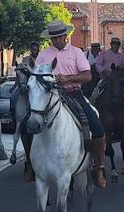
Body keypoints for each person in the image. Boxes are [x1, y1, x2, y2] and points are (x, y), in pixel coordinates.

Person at [28, 20, 109, 188]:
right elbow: (36, 75)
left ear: (65, 36)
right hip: (49, 96)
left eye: (59, 37)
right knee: (26, 126)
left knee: (97, 126)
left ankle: (98, 167)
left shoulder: (76, 52)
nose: (57, 40)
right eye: (54, 38)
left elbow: (87, 76)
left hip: (73, 93)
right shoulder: (44, 54)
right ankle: (31, 164)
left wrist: (67, 78)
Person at [92, 37, 124, 109]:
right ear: (111, 44)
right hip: (106, 78)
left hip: (120, 79)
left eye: (118, 44)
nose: (116, 45)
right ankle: (92, 110)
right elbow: (98, 64)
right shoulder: (104, 54)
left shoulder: (123, 56)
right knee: (94, 94)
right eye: (114, 43)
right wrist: (103, 71)